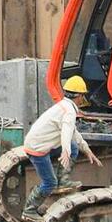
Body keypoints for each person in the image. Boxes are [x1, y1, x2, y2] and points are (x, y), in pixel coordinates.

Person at [22, 75, 102, 213]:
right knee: (49, 183)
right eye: (83, 95)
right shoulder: (69, 111)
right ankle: (29, 210)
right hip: (37, 149)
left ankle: (62, 180)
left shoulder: (64, 106)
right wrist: (66, 151)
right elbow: (66, 132)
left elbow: (73, 131)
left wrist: (86, 149)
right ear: (79, 96)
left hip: (37, 142)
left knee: (74, 146)